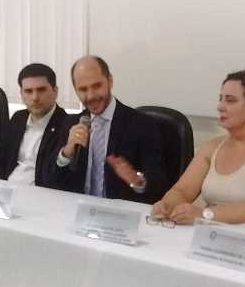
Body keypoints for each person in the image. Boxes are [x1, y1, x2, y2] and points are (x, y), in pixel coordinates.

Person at [151, 70, 245, 226]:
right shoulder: (212, 146)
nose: (220, 107)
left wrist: (204, 214)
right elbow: (182, 191)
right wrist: (168, 205)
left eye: (230, 100)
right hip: (214, 233)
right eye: (221, 99)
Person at [42, 55, 168, 203]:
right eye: (83, 89)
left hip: (120, 211)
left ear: (110, 81)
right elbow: (50, 181)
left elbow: (160, 184)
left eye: (97, 86)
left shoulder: (142, 124)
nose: (91, 96)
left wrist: (137, 180)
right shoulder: (72, 123)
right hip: (79, 208)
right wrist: (66, 153)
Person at [0, 63, 67, 186]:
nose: (35, 97)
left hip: (40, 194)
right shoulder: (18, 118)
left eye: (41, 90)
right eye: (28, 91)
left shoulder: (66, 124)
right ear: (21, 94)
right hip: (6, 190)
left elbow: (58, 176)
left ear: (55, 91)